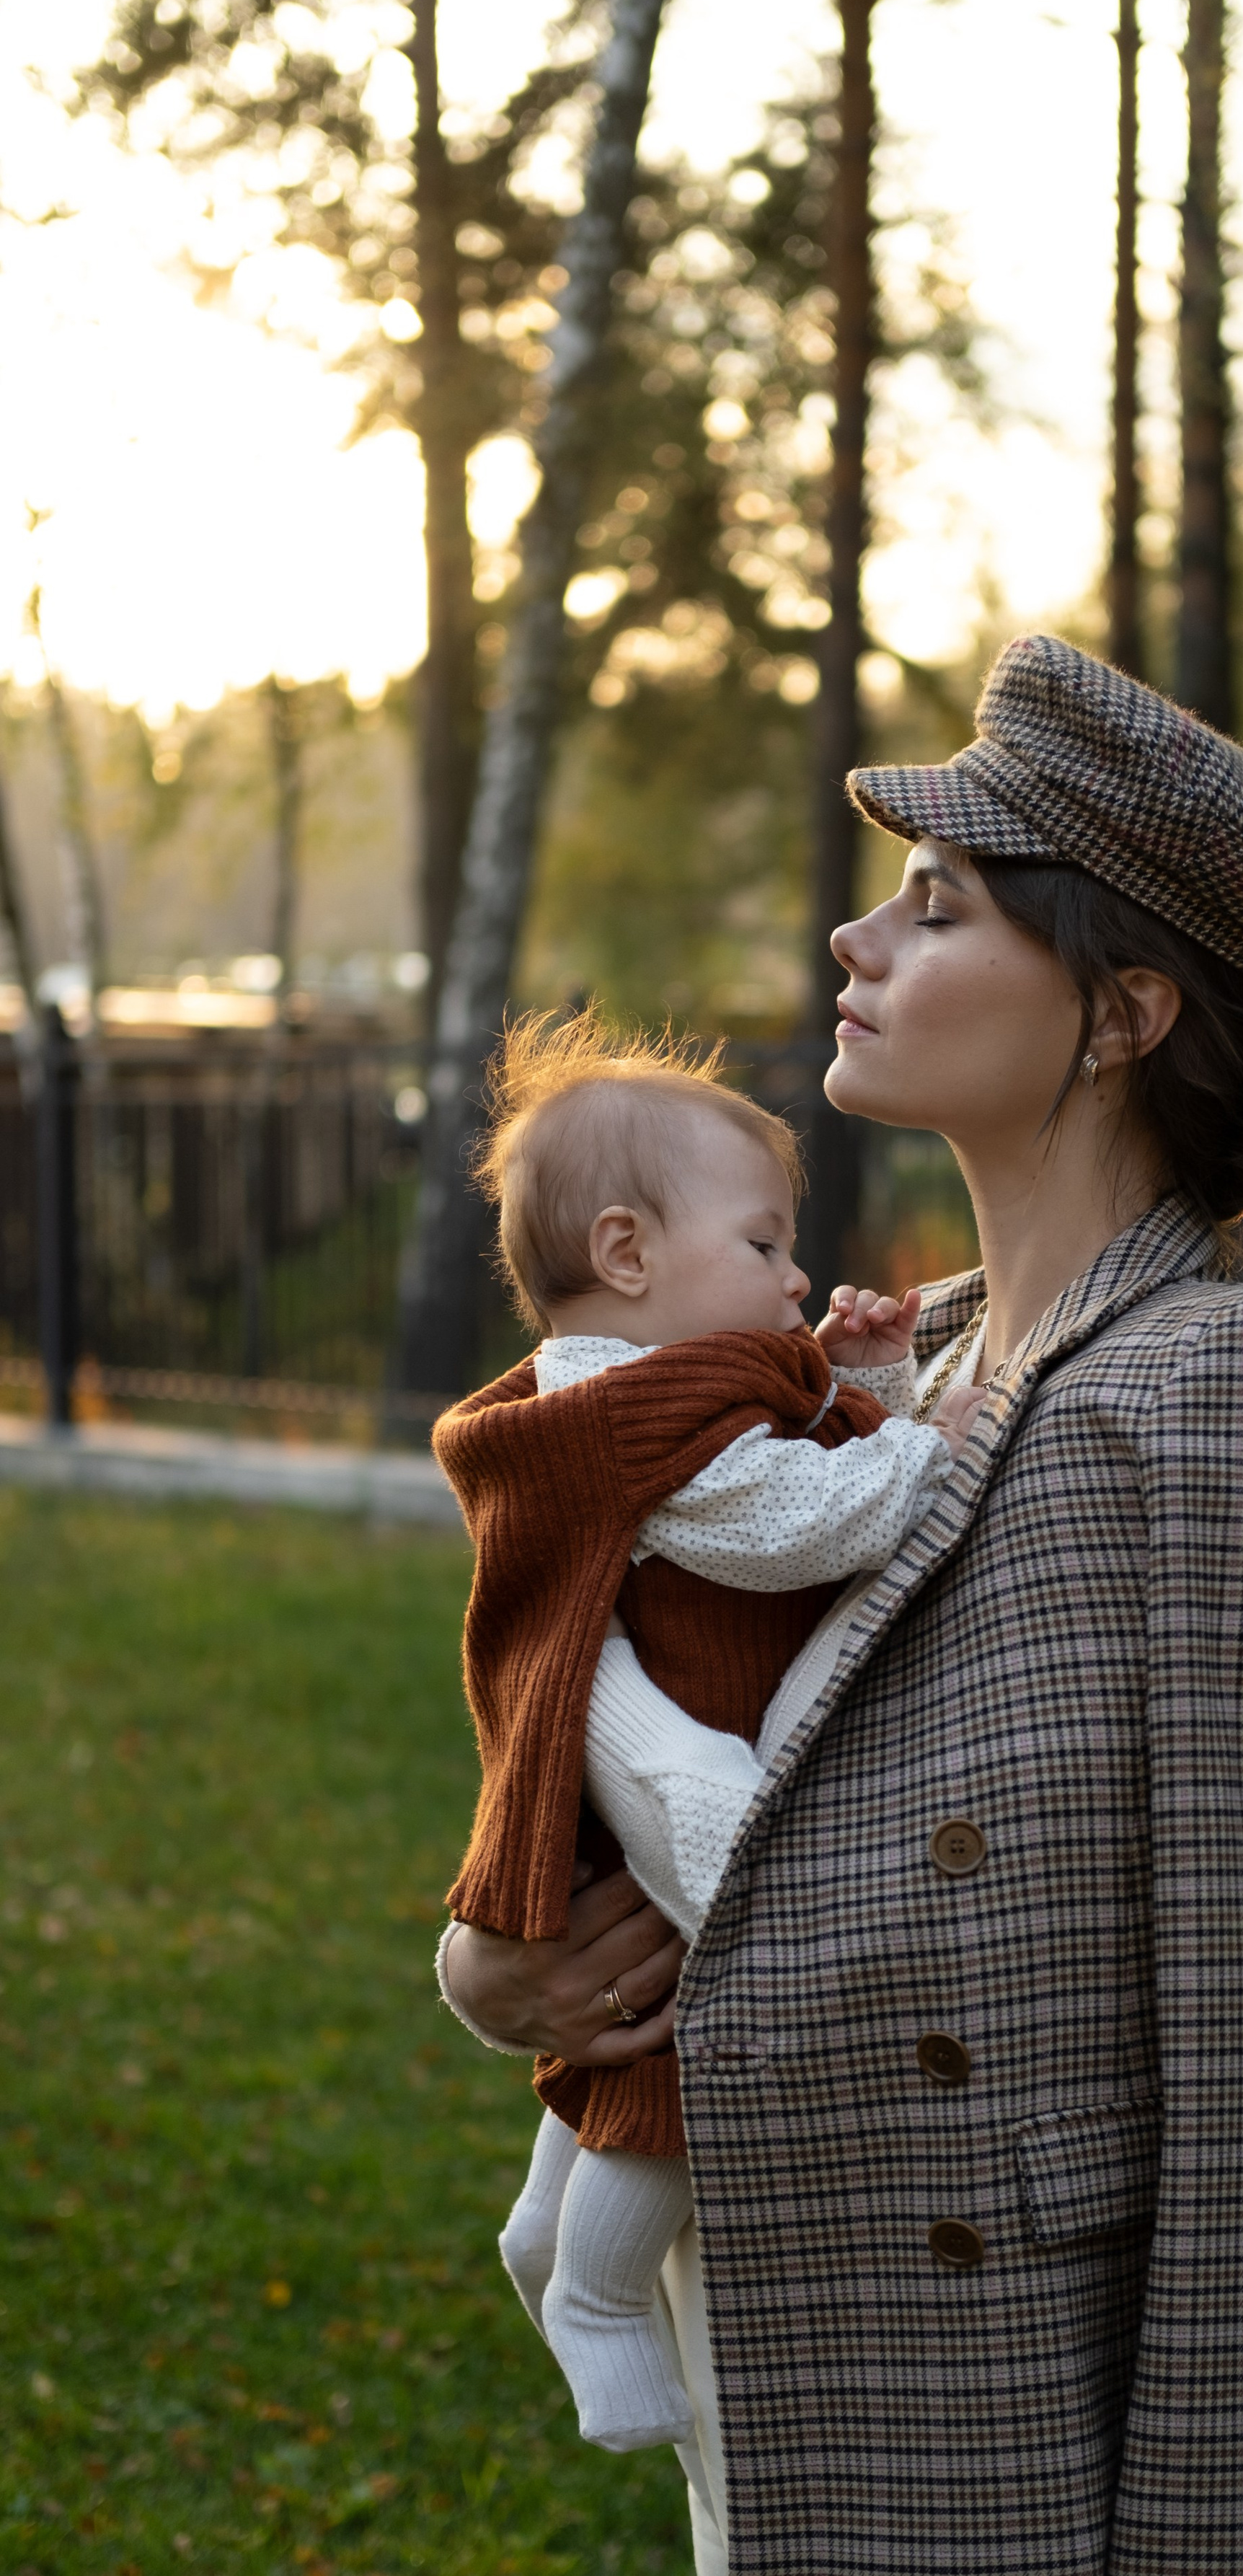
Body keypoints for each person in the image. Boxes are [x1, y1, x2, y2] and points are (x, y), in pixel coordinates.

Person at [441, 635, 1243, 2576]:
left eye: (940, 902)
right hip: (797, 2369)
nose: (853, 925)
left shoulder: (1235, 1379)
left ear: (1124, 1012)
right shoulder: (880, 1378)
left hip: (1047, 2506)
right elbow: (713, 1754)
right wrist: (500, 1967)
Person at [431, 1015, 981, 2460]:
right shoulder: (639, 1416)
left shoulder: (619, 1392)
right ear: (624, 1255)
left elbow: (795, 1480)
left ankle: (544, 2241)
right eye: (761, 1247)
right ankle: (600, 2296)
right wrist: (941, 1437)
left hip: (625, 1786)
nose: (795, 1277)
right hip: (690, 1800)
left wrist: (875, 1388)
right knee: (677, 2056)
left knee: (609, 2059)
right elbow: (811, 1526)